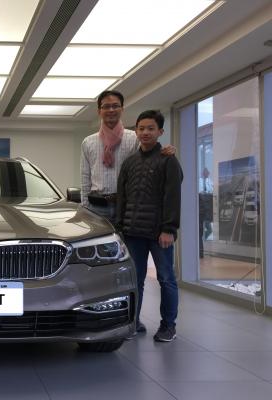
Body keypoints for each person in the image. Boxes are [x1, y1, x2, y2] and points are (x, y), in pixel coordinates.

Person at [116, 110, 183, 342]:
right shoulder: (129, 163)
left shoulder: (168, 160)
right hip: (132, 233)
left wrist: (169, 229)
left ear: (160, 132)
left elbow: (172, 196)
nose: (145, 132)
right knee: (135, 281)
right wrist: (120, 228)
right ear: (136, 131)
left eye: (150, 128)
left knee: (166, 279)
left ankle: (168, 326)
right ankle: (133, 323)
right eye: (141, 128)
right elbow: (122, 198)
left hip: (159, 233)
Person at [80, 90, 174, 223]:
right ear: (99, 111)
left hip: (126, 206)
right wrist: (85, 209)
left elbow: (149, 159)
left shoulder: (135, 138)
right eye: (106, 106)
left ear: (122, 109)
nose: (111, 110)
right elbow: (85, 178)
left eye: (115, 106)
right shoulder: (88, 142)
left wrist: (166, 151)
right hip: (97, 207)